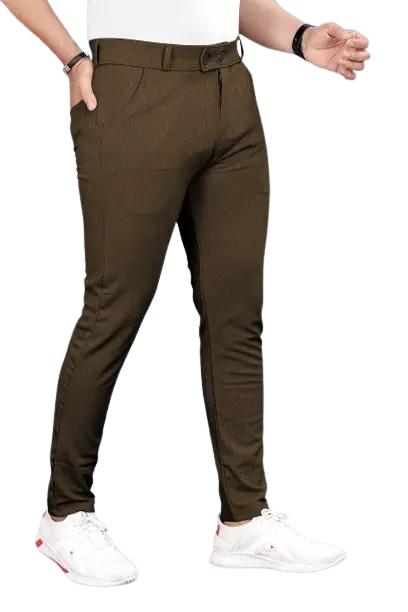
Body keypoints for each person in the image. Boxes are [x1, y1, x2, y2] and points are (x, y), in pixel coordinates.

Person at [3, 0, 371, 587]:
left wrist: (302, 38)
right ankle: (64, 513)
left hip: (230, 91)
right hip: (132, 91)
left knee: (237, 317)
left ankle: (244, 519)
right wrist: (71, 58)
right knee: (113, 310)